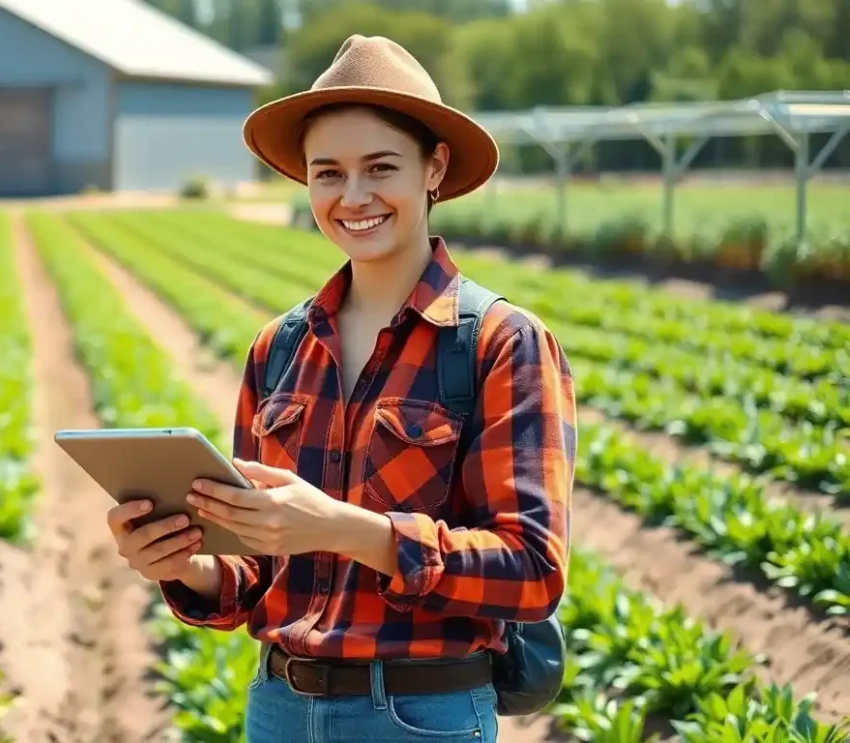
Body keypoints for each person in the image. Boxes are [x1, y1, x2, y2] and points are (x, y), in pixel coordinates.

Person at [105, 35, 577, 743]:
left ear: (434, 168)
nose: (352, 197)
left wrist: (348, 530)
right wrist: (189, 566)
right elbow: (257, 569)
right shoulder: (281, 348)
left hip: (421, 716)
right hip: (279, 706)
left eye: (379, 167)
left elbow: (533, 571)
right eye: (328, 174)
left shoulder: (499, 344)